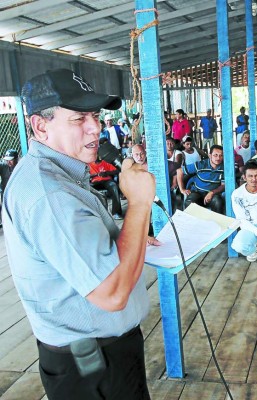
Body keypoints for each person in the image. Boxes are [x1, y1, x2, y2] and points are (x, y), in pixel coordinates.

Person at [4, 68, 156, 399]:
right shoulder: (50, 195)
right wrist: (140, 206)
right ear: (40, 125)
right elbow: (112, 295)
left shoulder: (62, 174)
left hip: (103, 355)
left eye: (96, 116)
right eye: (79, 119)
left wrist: (131, 235)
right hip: (93, 368)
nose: (95, 128)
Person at [178, 145, 225, 213]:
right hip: (197, 192)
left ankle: (216, 223)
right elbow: (180, 171)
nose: (218, 158)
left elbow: (223, 185)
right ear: (209, 155)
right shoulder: (201, 164)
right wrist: (182, 189)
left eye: (221, 155)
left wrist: (212, 192)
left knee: (218, 202)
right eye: (215, 155)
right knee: (189, 203)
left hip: (213, 194)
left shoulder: (224, 168)